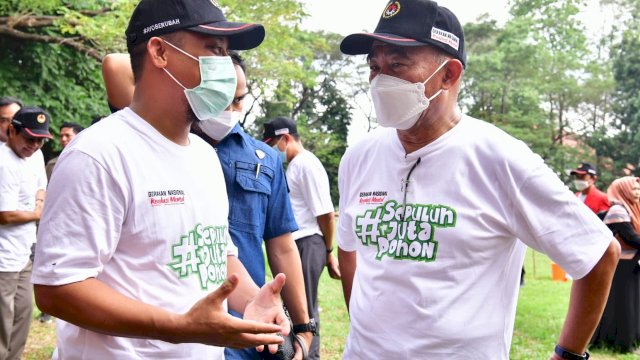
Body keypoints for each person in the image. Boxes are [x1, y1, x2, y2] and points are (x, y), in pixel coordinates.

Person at [336, 1, 620, 359]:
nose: (381, 79)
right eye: (375, 66)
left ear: (449, 74)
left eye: (398, 64)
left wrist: (567, 354)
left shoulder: (499, 158)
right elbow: (349, 250)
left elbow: (597, 253)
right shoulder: (359, 157)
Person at [31, 0, 292, 358]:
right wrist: (176, 327)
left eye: (226, 53)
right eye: (214, 50)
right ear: (160, 52)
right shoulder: (98, 154)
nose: (226, 68)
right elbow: (57, 289)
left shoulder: (203, 155)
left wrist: (253, 299)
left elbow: (216, 252)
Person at [102, 50, 313, 360]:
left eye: (238, 99)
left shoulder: (263, 158)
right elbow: (115, 64)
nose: (229, 108)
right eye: (220, 95)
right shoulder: (161, 138)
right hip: (170, 324)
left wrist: (304, 325)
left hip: (247, 314)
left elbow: (281, 245)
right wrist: (192, 61)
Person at [263, 117, 341, 360]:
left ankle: (310, 356)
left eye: (273, 143)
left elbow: (326, 214)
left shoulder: (307, 164)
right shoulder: (294, 166)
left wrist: (329, 252)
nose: (271, 149)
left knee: (305, 309)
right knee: (295, 306)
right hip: (296, 244)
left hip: (309, 242)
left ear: (285, 138)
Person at [0, 106, 51, 360]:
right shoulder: (3, 162)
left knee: (23, 315)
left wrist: (38, 205)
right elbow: (5, 215)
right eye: (29, 139)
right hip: (3, 259)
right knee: (2, 322)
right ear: (12, 130)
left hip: (25, 250)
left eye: (40, 141)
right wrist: (40, 214)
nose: (34, 146)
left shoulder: (36, 156)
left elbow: (41, 187)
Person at [591, 176, 640, 352]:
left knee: (631, 302)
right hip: (621, 265)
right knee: (623, 303)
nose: (637, 193)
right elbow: (630, 237)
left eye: (638, 189)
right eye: (633, 189)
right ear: (623, 190)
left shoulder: (633, 208)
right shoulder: (618, 210)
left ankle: (628, 340)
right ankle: (621, 343)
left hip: (631, 263)